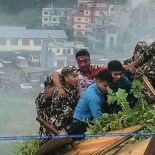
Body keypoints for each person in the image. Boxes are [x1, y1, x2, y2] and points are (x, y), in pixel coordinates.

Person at [69, 70, 113, 135]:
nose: (108, 88)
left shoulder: (95, 86)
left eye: (109, 86)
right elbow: (98, 118)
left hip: (83, 122)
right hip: (80, 126)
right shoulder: (93, 96)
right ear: (97, 81)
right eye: (105, 86)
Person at [50, 65, 79, 133]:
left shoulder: (73, 88)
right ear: (66, 78)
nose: (77, 78)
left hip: (69, 121)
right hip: (59, 125)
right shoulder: (61, 92)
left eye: (77, 75)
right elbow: (67, 113)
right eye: (74, 76)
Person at [35, 76, 55, 147]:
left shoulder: (56, 97)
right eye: (50, 87)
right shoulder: (41, 96)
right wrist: (58, 86)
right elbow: (48, 96)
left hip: (56, 131)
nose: (52, 89)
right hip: (46, 132)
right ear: (45, 88)